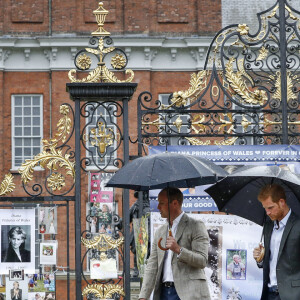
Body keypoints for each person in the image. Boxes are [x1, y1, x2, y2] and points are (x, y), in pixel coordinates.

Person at [139, 187, 210, 300]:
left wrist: (179, 249)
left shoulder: (195, 226)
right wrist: (143, 296)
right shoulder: (160, 231)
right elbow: (152, 265)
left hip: (189, 293)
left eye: (161, 203)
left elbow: (202, 260)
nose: (158, 207)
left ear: (175, 203)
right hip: (163, 292)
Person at [253, 184, 300, 300]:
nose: (267, 212)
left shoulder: (298, 225)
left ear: (282, 202)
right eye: (265, 208)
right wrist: (260, 258)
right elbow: (272, 261)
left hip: (293, 294)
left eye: (270, 207)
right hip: (269, 293)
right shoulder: (268, 226)